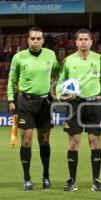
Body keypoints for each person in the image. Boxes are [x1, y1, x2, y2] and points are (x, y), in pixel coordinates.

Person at [56, 29, 101, 192]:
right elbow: (60, 82)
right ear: (76, 42)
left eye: (87, 39)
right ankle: (72, 181)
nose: (84, 42)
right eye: (81, 39)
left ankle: (96, 180)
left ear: (92, 42)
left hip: (94, 105)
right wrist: (61, 96)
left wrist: (99, 91)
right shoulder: (67, 61)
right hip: (74, 105)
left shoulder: (99, 59)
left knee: (95, 142)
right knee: (73, 143)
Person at [7, 27, 58, 190]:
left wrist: (60, 88)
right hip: (25, 103)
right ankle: (27, 178)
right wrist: (10, 99)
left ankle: (46, 176)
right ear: (27, 40)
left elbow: (58, 72)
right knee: (27, 141)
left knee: (44, 140)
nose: (36, 41)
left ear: (43, 40)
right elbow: (12, 79)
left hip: (44, 103)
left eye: (38, 38)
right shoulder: (19, 57)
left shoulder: (50, 55)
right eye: (33, 38)